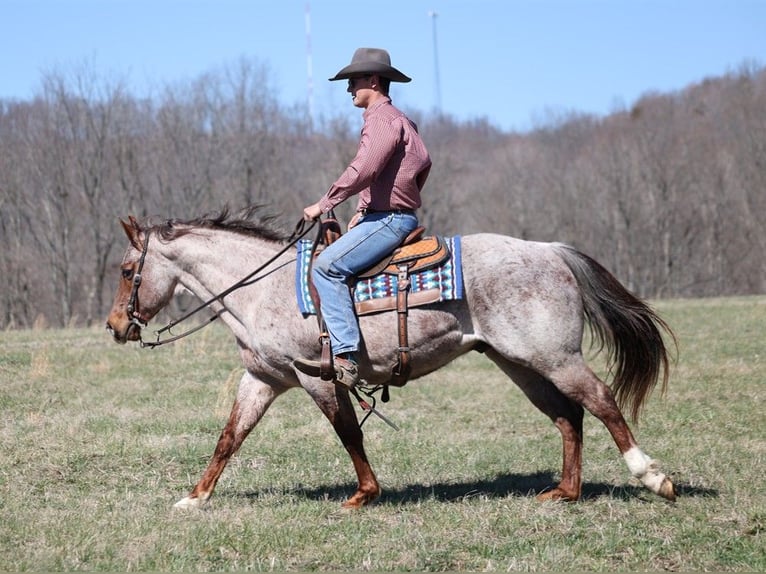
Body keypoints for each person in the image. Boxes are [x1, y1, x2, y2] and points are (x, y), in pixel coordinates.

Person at [294, 47, 432, 390]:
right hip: (386, 216)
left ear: (374, 80)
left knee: (326, 267)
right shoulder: (400, 119)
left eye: (354, 81)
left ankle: (346, 359)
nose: (349, 89)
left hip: (390, 219)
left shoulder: (382, 119)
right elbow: (412, 169)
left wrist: (324, 203)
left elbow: (366, 168)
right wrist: (362, 211)